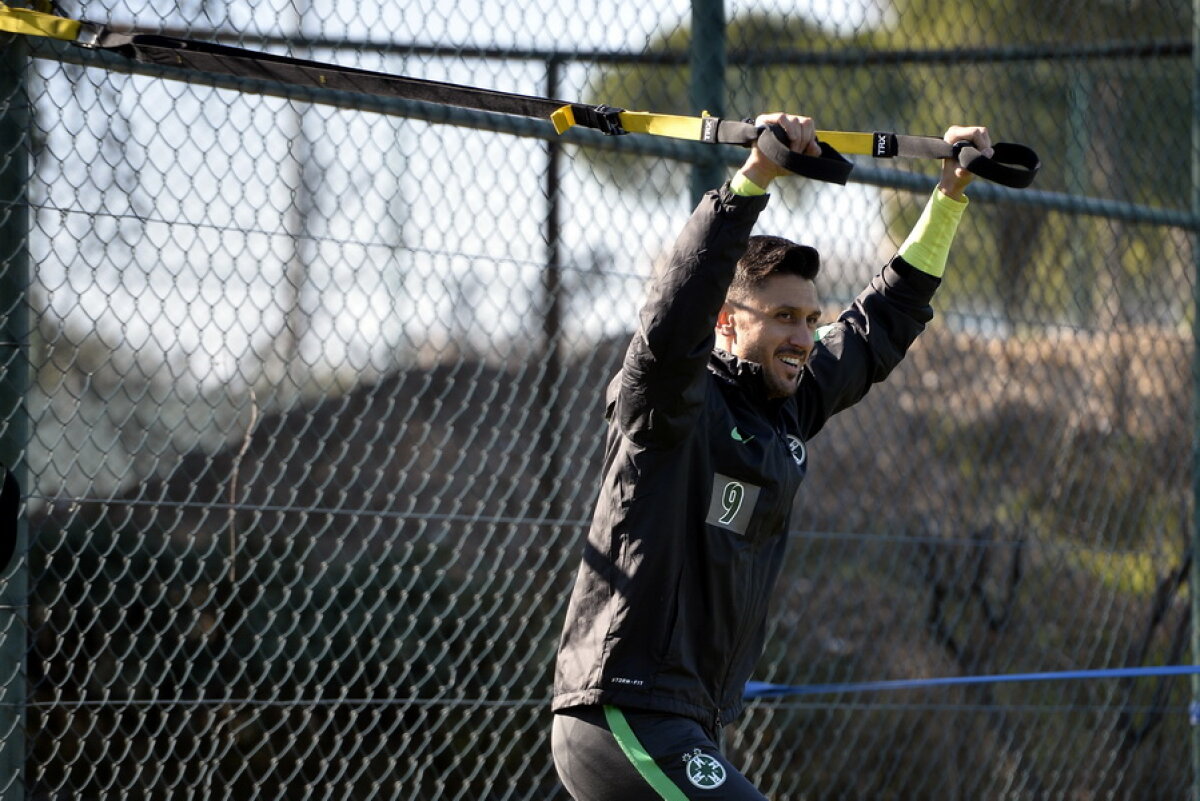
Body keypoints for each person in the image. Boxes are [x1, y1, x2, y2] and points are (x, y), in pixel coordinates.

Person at [550, 112, 991, 800]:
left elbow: (880, 324)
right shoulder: (671, 399)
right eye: (784, 316)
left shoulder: (786, 406)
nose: (804, 337)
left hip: (691, 719)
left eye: (811, 319)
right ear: (727, 323)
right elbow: (674, 314)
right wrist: (753, 178)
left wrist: (950, 195)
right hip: (626, 713)